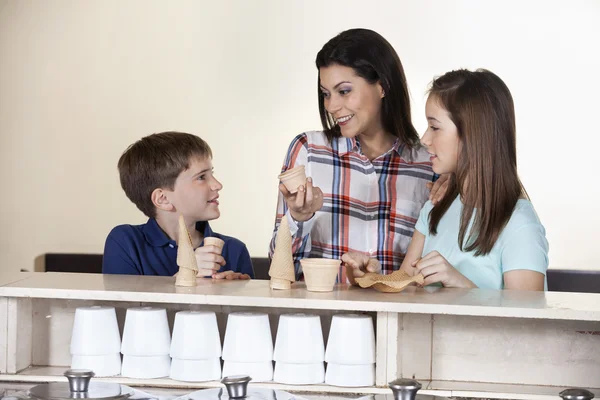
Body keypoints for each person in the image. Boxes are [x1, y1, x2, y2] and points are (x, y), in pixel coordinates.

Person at [345, 69, 549, 290]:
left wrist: (459, 284)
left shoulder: (519, 224)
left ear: (473, 134)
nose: (424, 139)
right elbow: (405, 292)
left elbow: (527, 322)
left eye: (434, 127)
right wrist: (367, 278)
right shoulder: (436, 206)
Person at [269, 28, 445, 281]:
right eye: (326, 94)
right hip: (323, 317)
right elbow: (281, 269)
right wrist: (299, 217)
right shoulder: (308, 150)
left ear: (382, 86)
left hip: (398, 317)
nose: (331, 106)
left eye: (344, 91)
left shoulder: (429, 163)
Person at [102, 131, 254, 279]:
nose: (217, 185)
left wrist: (232, 293)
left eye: (211, 174)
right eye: (201, 177)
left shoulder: (234, 250)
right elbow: (123, 304)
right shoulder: (126, 242)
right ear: (163, 199)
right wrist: (187, 274)